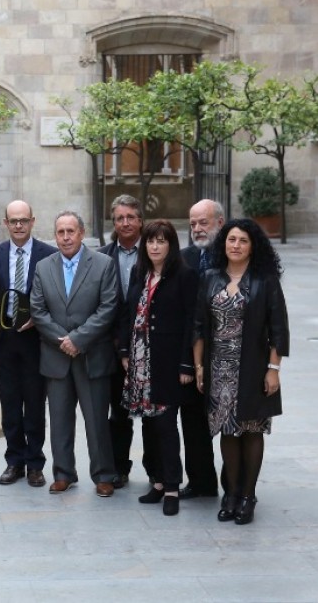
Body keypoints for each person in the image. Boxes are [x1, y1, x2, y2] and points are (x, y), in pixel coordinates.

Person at [194, 219, 289, 525]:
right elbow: (198, 326)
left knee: (251, 431)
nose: (235, 245)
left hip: (252, 368)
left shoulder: (265, 280)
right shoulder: (209, 277)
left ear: (253, 246)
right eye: (231, 239)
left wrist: (273, 369)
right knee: (227, 431)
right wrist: (198, 367)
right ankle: (231, 494)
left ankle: (248, 496)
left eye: (243, 241)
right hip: (218, 368)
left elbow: (279, 330)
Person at [30, 211, 119, 497]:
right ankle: (63, 473)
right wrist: (63, 340)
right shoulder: (43, 267)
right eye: (60, 232)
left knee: (96, 421)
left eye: (71, 231)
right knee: (59, 421)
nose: (66, 237)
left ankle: (104, 475)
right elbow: (38, 310)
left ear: (82, 233)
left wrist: (78, 339)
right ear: (54, 236)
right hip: (56, 357)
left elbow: (108, 308)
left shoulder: (104, 264)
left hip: (91, 356)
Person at [117, 220, 198, 516]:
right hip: (140, 362)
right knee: (149, 425)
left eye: (161, 241)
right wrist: (125, 350)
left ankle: (174, 487)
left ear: (170, 245)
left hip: (167, 362)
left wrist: (187, 362)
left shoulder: (184, 276)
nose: (154, 246)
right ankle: (159, 482)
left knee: (166, 425)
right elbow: (128, 312)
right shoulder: (140, 273)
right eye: (150, 241)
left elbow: (192, 321)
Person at [0, 200, 57, 487]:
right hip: (5, 339)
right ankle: (14, 461)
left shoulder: (48, 255)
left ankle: (35, 464)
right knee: (10, 404)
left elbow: (54, 295)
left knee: (36, 405)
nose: (18, 225)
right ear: (5, 223)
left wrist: (39, 320)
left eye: (23, 220)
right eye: (13, 221)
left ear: (32, 221)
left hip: (35, 339)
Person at [176, 198, 225, 500]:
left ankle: (236, 486)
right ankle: (201, 482)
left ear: (220, 222)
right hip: (191, 352)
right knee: (192, 420)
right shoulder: (183, 258)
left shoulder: (234, 253)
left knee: (233, 423)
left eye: (203, 222)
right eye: (192, 223)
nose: (196, 229)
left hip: (228, 353)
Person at [98, 194, 144, 489]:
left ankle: (157, 471)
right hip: (111, 348)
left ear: (140, 220)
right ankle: (118, 467)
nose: (125, 223)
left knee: (154, 414)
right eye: (119, 218)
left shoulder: (155, 252)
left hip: (147, 347)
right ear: (113, 222)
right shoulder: (101, 257)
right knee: (117, 412)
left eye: (130, 217)